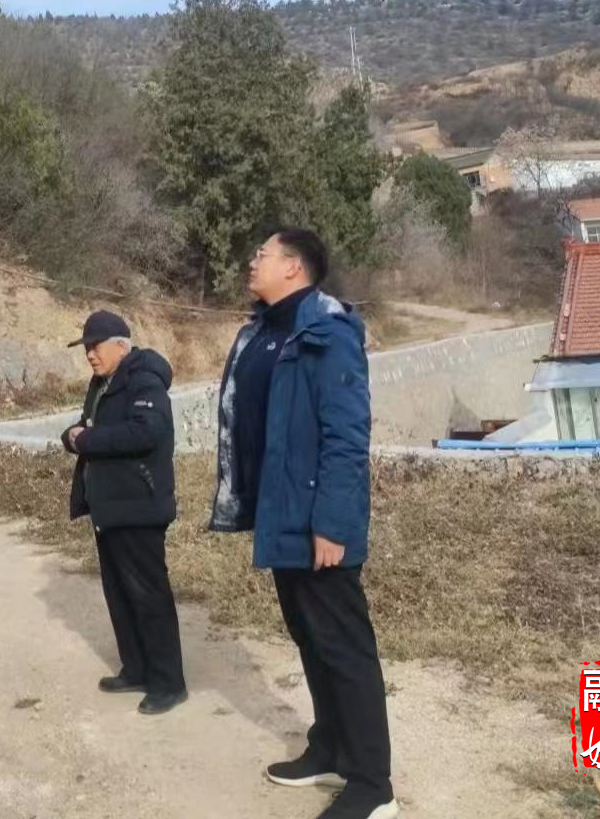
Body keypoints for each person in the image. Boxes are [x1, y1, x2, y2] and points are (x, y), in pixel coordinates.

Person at [207, 230, 398, 819]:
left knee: (344, 646)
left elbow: (346, 435)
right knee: (309, 636)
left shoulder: (327, 332)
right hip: (280, 511)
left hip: (319, 520)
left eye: (262, 254)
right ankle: (329, 748)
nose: (251, 262)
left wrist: (332, 524)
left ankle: (373, 785)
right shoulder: (264, 331)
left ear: (293, 266)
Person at [59, 309, 187, 715]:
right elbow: (84, 426)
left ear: (120, 345)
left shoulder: (143, 379)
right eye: (86, 348)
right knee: (119, 594)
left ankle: (168, 683)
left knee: (149, 596)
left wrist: (87, 439)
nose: (90, 355)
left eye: (95, 346)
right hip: (110, 507)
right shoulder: (102, 384)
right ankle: (136, 668)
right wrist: (71, 437)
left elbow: (147, 431)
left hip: (139, 506)